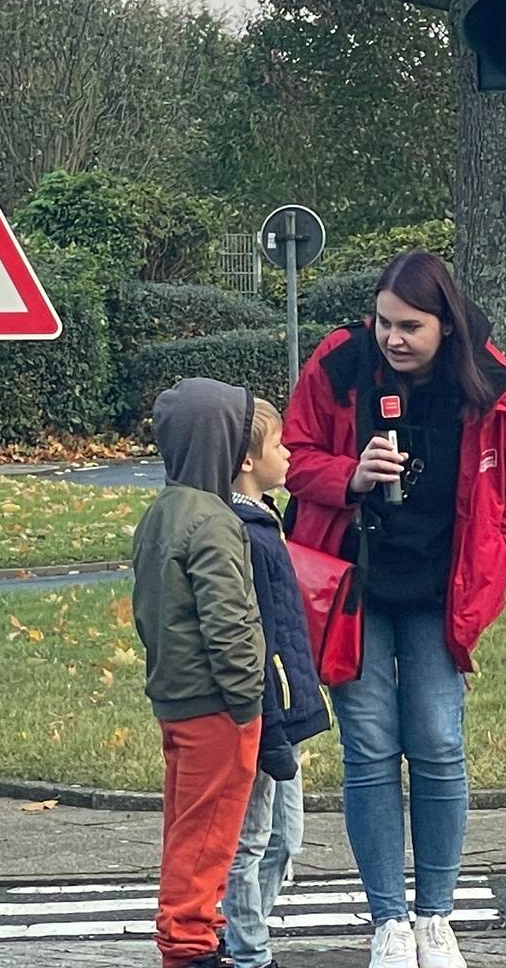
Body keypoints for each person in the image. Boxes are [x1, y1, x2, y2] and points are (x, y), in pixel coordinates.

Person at [283, 251, 506, 968]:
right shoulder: (340, 364)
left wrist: (503, 564)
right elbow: (294, 455)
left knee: (436, 743)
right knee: (369, 748)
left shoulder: (491, 384)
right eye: (382, 322)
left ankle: (436, 916)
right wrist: (351, 474)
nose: (392, 338)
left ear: (446, 326)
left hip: (443, 593)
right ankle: (389, 922)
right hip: (355, 585)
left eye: (409, 326)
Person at [132, 378, 269, 968]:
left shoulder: (161, 513)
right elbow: (229, 620)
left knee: (185, 834)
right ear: (223, 444)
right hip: (218, 709)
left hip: (176, 698)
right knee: (209, 840)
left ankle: (189, 939)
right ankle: (190, 948)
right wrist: (248, 701)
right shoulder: (214, 520)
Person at [221, 397, 332, 968]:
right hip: (263, 713)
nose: (289, 453)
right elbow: (254, 638)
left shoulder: (267, 520)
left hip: (282, 709)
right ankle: (247, 950)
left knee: (286, 839)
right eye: (278, 446)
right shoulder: (243, 533)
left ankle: (242, 931)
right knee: (252, 838)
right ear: (246, 460)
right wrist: (271, 723)